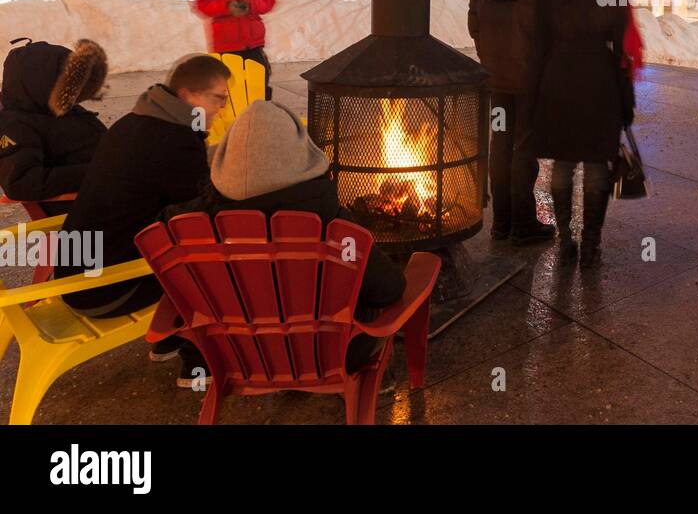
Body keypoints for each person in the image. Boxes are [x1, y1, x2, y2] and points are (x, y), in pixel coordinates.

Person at [169, 99, 406, 373]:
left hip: (235, 356)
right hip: (331, 355)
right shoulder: (334, 225)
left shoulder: (190, 227)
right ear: (302, 159)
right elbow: (388, 291)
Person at [56, 54, 231, 382]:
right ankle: (199, 364)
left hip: (74, 276)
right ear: (186, 95)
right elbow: (199, 219)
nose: (222, 106)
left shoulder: (135, 122)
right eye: (218, 97)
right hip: (104, 290)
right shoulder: (176, 140)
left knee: (172, 236)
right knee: (207, 255)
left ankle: (167, 340)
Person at [533, 0, 640, 268]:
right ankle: (591, 243)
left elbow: (537, 36)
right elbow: (627, 44)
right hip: (600, 82)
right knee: (596, 164)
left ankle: (566, 239)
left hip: (558, 79)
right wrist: (627, 87)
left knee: (562, 162)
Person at [467, 0, 556, 246]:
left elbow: (474, 24)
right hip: (530, 85)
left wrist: (490, 59)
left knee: (500, 146)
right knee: (524, 149)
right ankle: (523, 222)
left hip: (496, 81)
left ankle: (501, 222)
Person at [0, 39, 107, 215]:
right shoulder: (17, 125)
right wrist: (96, 172)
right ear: (42, 81)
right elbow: (21, 182)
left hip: (114, 194)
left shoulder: (57, 109)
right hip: (89, 215)